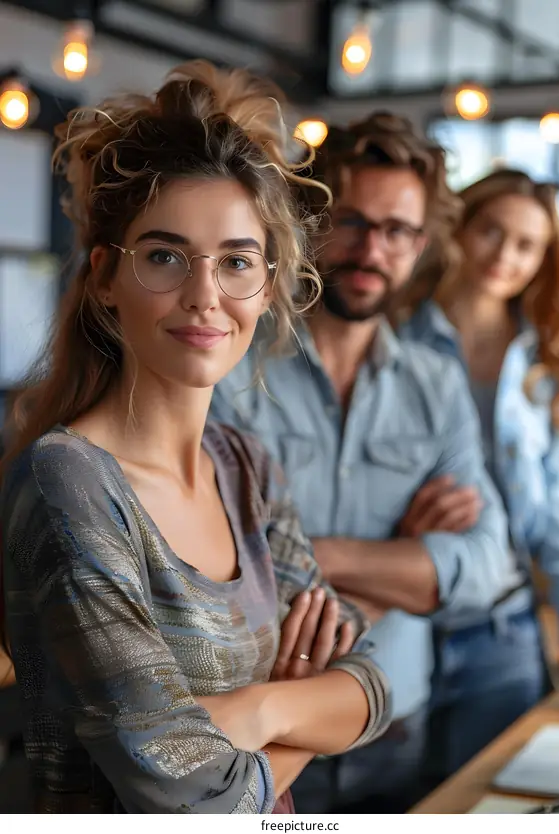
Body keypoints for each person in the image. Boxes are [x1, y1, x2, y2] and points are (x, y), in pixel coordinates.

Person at [0, 61, 391, 814]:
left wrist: (262, 711)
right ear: (107, 276)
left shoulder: (246, 465)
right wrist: (306, 706)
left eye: (237, 262)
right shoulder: (69, 483)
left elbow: (373, 684)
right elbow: (192, 803)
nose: (204, 295)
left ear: (268, 286)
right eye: (166, 256)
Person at [210, 113, 519, 813]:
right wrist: (401, 557)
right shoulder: (232, 370)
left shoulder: (435, 386)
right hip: (258, 735)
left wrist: (313, 554)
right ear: (310, 221)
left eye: (398, 231)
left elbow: (485, 565)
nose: (372, 249)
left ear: (422, 242)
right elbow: (220, 588)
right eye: (351, 221)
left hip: (393, 725)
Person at [397, 168, 559, 781]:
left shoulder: (546, 370)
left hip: (501, 633)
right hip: (395, 619)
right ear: (458, 227)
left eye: (526, 244)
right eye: (491, 231)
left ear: (543, 259)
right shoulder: (391, 337)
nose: (505, 256)